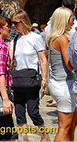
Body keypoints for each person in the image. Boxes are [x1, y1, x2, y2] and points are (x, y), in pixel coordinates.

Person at [10, 10, 49, 141]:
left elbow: (43, 59)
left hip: (31, 78)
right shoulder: (15, 40)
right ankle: (24, 137)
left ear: (24, 22)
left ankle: (44, 135)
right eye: (12, 23)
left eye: (16, 23)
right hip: (18, 79)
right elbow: (11, 61)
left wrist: (44, 78)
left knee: (33, 112)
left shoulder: (35, 38)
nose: (13, 26)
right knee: (19, 112)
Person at [46, 7, 76, 142]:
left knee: (70, 125)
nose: (72, 21)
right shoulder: (62, 39)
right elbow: (69, 64)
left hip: (57, 82)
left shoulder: (52, 38)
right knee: (64, 127)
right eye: (70, 18)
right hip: (64, 84)